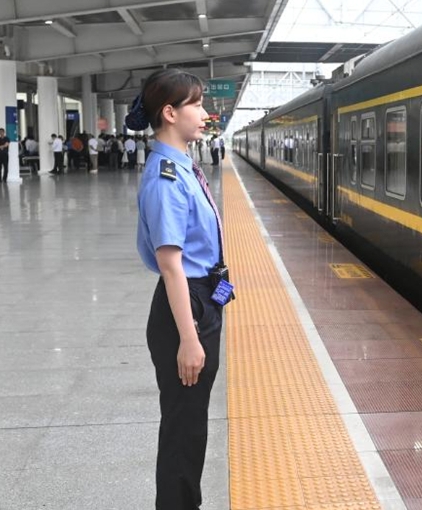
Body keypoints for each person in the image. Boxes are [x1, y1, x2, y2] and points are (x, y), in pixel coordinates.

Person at [131, 68, 231, 510]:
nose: (205, 113)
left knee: (190, 426)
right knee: (183, 430)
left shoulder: (182, 166)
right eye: (197, 104)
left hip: (199, 297)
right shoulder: (166, 178)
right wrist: (189, 339)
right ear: (170, 113)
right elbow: (171, 267)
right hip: (185, 307)